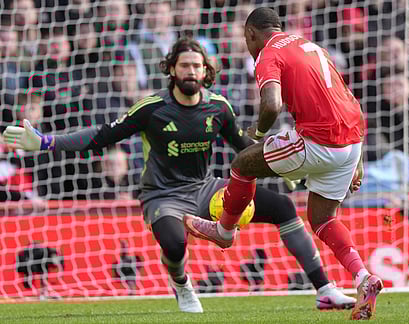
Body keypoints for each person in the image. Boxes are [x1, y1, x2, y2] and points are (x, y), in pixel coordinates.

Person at [3, 37, 355, 313]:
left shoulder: (218, 106)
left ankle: (324, 289)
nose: (191, 71)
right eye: (184, 65)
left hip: (206, 188)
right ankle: (183, 284)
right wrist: (46, 142)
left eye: (197, 66)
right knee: (174, 244)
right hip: (162, 196)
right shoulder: (152, 108)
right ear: (171, 69)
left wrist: (284, 168)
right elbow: (102, 136)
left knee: (282, 207)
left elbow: (241, 147)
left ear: (206, 72)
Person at [183, 8, 383, 320]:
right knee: (322, 218)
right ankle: (363, 277)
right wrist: (355, 160)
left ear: (250, 33)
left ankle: (224, 230)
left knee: (242, 164)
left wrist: (259, 132)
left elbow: (272, 103)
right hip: (351, 141)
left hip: (318, 141)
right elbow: (346, 97)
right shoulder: (310, 46)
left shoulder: (266, 54)